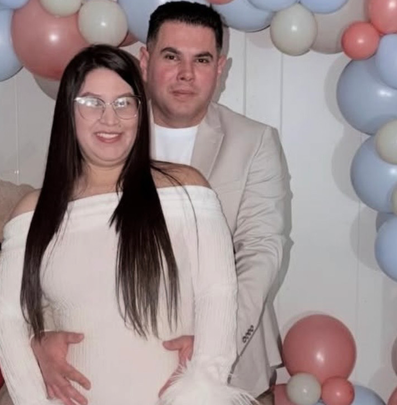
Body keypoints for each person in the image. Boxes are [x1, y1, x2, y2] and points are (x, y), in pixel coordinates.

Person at [30, 3, 291, 405]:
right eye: (172, 56)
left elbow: (261, 250)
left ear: (219, 67)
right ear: (145, 60)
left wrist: (213, 343)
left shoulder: (254, 142)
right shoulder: (103, 133)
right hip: (112, 370)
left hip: (231, 372)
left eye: (201, 59)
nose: (186, 73)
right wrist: (42, 334)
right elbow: (56, 243)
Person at [0, 44, 256, 405]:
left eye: (123, 102)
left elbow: (218, 291)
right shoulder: (31, 213)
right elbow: (8, 317)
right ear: (68, 111)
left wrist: (205, 379)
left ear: (140, 110)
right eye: (92, 102)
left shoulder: (186, 190)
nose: (110, 119)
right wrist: (32, 397)